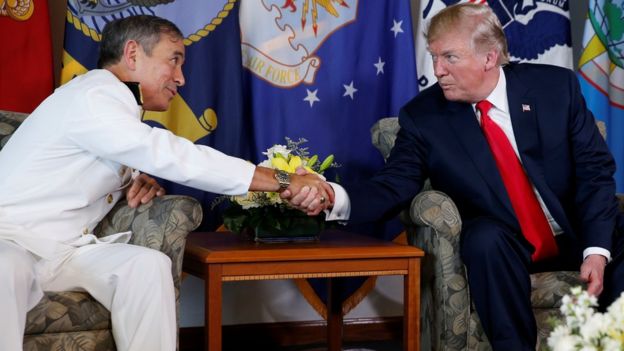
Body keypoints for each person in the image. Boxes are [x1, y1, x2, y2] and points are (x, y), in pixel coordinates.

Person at [285, 3, 624, 350]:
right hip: (505, 245)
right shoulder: (424, 117)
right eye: (433, 57)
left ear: (489, 58)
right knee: (484, 237)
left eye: (449, 58)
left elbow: (594, 172)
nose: (438, 71)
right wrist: (331, 195)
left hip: (571, 231)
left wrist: (596, 251)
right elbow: (393, 186)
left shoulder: (555, 88)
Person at [0, 15, 331, 351]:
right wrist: (282, 179)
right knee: (4, 266)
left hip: (62, 251)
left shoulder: (118, 105)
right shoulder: (93, 95)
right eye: (173, 60)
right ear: (132, 54)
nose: (181, 78)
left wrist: (133, 177)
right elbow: (169, 153)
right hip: (9, 241)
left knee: (147, 266)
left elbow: (116, 153)